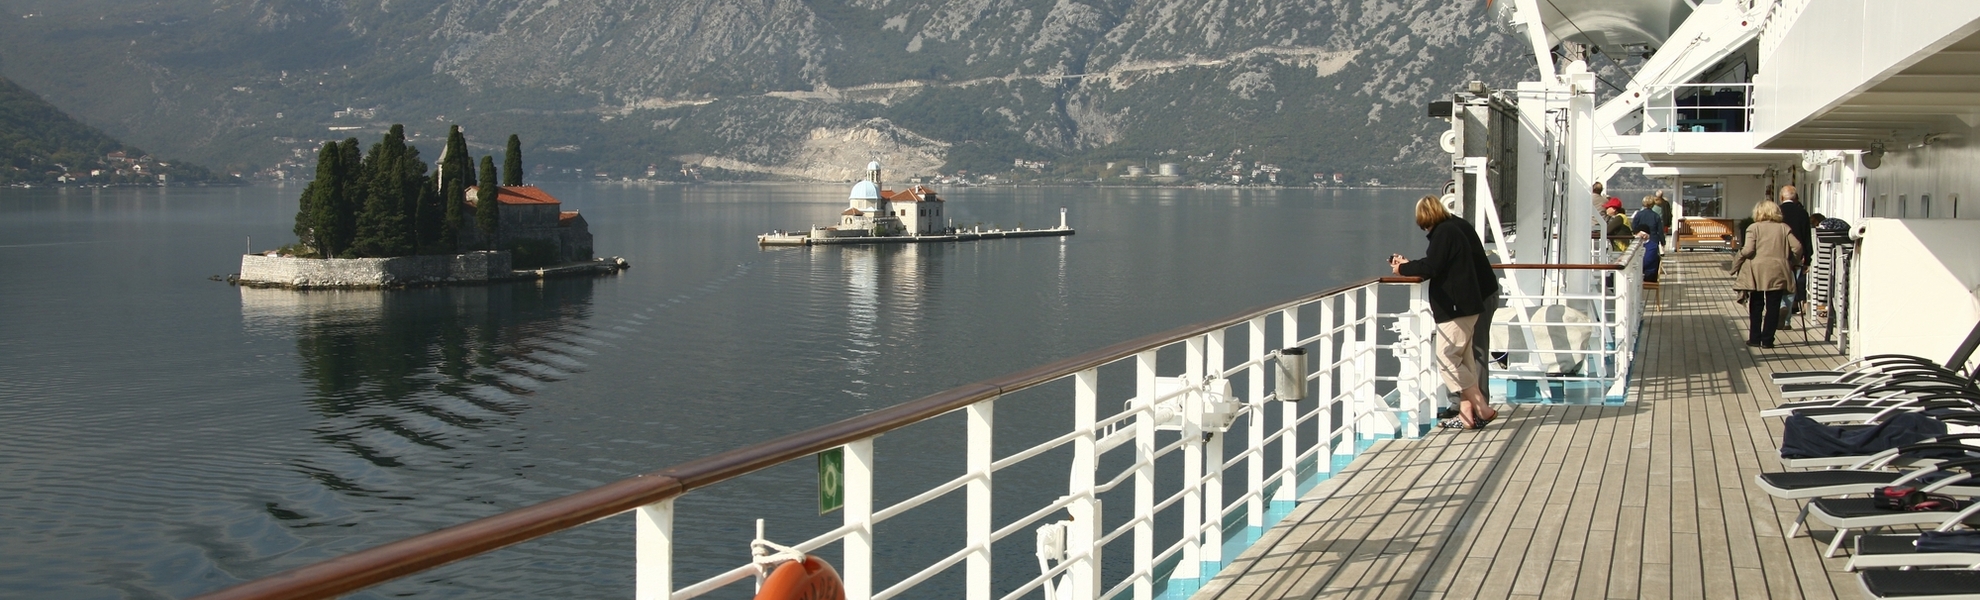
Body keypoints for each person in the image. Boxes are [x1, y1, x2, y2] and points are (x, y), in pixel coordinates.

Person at [1392, 196, 1502, 429]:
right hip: (1473, 301)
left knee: (1447, 357)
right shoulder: (1456, 227)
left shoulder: (1444, 233)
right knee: (1467, 358)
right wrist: (1411, 266)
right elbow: (1440, 263)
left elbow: (1433, 266)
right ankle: (1467, 414)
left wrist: (1403, 268)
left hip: (1461, 305)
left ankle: (1481, 408)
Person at [1733, 200, 1802, 349]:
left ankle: (1754, 338)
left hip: (1756, 270)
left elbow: (1748, 249)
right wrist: (1793, 261)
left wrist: (1739, 257)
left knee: (1756, 304)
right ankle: (1768, 340)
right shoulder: (1784, 228)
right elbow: (1797, 247)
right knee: (1774, 305)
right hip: (1778, 269)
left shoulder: (1754, 228)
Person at [1779, 185, 1813, 325]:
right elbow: (1806, 237)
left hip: (1778, 254)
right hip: (1796, 256)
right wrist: (1808, 259)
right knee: (1791, 286)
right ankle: (1786, 321)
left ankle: (1781, 306)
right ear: (1796, 198)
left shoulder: (1776, 212)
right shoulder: (1802, 213)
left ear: (1781, 197)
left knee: (1778, 284)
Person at [1632, 195, 1664, 282]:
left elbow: (1634, 228)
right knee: (1652, 260)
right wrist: (1663, 242)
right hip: (1653, 239)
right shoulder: (1656, 216)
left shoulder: (1638, 215)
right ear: (1653, 204)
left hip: (1640, 240)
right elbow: (1660, 231)